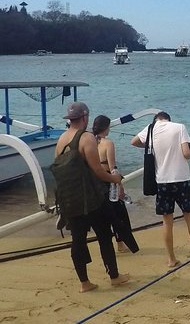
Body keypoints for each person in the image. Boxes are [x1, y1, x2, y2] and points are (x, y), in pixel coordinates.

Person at [53, 102, 129, 293]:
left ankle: (84, 283)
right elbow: (97, 171)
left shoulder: (61, 139)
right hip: (90, 199)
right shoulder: (86, 138)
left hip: (70, 198)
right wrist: (115, 178)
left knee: (78, 239)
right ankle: (114, 276)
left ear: (69, 119)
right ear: (85, 117)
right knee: (104, 235)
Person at [131, 111, 190, 267]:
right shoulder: (179, 127)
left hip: (162, 181)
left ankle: (171, 259)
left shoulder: (150, 129)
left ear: (156, 120)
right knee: (189, 216)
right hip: (181, 179)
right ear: (169, 119)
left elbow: (134, 142)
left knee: (167, 221)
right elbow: (186, 154)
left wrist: (149, 144)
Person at [92, 115, 139, 254]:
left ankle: (108, 246)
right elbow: (113, 168)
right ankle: (120, 244)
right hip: (108, 181)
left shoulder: (89, 142)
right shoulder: (108, 143)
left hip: (94, 182)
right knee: (118, 214)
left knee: (103, 217)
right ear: (106, 127)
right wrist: (120, 186)